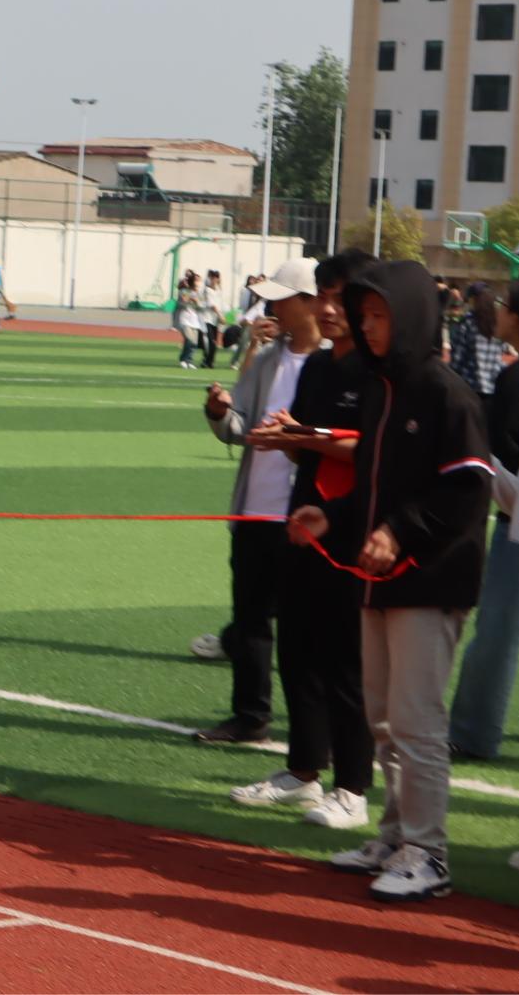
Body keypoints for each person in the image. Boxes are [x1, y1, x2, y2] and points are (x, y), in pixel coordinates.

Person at [289, 260, 492, 902]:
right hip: (377, 579)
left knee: (415, 721)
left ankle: (428, 854)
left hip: (431, 582)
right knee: (382, 718)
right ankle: (397, 837)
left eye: (380, 315)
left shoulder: (446, 394)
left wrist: (401, 532)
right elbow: (374, 487)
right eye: (365, 314)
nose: (368, 326)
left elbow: (469, 488)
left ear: (410, 317)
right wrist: (334, 516)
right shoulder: (381, 391)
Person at [231, 249, 377, 828]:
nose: (330, 309)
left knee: (345, 664)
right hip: (302, 525)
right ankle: (302, 771)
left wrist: (304, 437)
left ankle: (353, 790)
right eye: (326, 297)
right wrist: (285, 438)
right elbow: (307, 447)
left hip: (351, 532)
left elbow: (370, 450)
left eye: (341, 299)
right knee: (296, 651)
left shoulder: (376, 373)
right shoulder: (317, 368)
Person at [194, 257, 322, 744]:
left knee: (302, 630)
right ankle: (250, 717)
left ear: (310, 302)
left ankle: (313, 730)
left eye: (282, 300)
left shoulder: (335, 365)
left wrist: (297, 437)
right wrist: (218, 411)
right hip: (253, 511)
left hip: (307, 516)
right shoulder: (267, 358)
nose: (273, 309)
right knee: (249, 621)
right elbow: (239, 427)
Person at [448, 277, 519, 760]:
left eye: (504, 304)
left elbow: (508, 458)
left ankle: (473, 731)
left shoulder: (518, 378)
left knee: (497, 629)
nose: (496, 310)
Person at [448, 282, 508, 419]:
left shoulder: (468, 322)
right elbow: (503, 351)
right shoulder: (498, 323)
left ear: (474, 299)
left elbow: (457, 359)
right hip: (493, 389)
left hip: (469, 389)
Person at [174, 271, 204, 368]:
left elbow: (201, 307)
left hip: (195, 321)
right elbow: (181, 303)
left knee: (194, 343)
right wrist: (188, 299)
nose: (198, 283)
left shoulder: (198, 294)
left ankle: (189, 361)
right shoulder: (184, 291)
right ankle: (183, 359)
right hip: (185, 319)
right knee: (189, 339)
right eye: (196, 281)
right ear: (192, 282)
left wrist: (197, 302)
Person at [201, 270, 225, 369]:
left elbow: (221, 305)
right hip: (207, 318)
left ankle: (209, 361)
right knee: (210, 341)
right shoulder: (207, 290)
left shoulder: (219, 291)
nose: (214, 280)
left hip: (216, 320)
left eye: (216, 278)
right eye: (212, 278)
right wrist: (220, 315)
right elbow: (212, 305)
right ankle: (207, 361)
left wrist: (222, 316)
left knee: (215, 342)